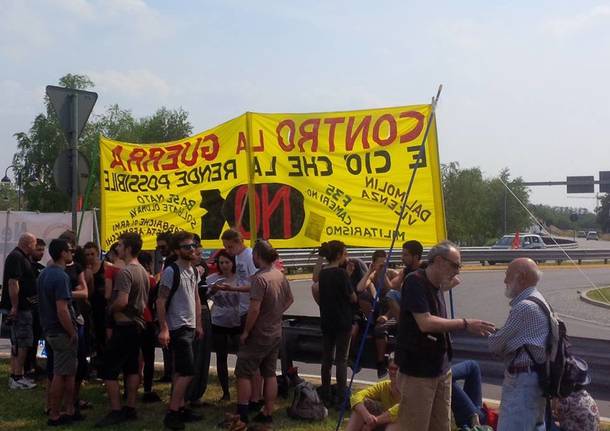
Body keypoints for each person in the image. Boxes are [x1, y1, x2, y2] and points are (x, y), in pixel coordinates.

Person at [396, 240, 495, 431]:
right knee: (415, 425)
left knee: (442, 426)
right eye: (455, 265)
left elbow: (447, 286)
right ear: (440, 261)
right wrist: (465, 324)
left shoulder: (436, 283)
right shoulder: (414, 282)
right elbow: (425, 323)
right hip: (419, 372)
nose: (458, 271)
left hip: (440, 369)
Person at [234, 240, 294, 424]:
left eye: (254, 255)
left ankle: (242, 413)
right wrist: (275, 314)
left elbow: (254, 309)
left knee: (243, 372)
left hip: (259, 332)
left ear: (258, 256)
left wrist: (246, 331)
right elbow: (289, 300)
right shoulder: (279, 275)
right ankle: (268, 411)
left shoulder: (259, 279)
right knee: (269, 373)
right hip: (275, 330)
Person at [488, 258, 551, 431]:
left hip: (522, 381)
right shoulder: (539, 299)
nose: (505, 280)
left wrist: (491, 336)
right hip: (536, 378)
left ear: (521, 278)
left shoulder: (524, 307)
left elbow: (495, 345)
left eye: (508, 275)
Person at [96, 232, 149, 427]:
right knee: (132, 368)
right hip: (137, 325)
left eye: (119, 245)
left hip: (125, 325)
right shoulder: (142, 270)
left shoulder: (126, 272)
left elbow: (122, 301)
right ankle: (131, 407)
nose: (117, 248)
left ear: (128, 248)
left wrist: (111, 308)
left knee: (108, 369)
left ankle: (116, 410)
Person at [157, 231, 203, 430]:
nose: (191, 249)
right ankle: (172, 412)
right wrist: (164, 329)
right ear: (177, 250)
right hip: (178, 326)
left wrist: (198, 324)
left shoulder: (193, 271)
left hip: (190, 326)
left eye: (192, 245)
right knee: (187, 371)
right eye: (186, 247)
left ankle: (181, 407)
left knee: (180, 371)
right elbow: (160, 301)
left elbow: (196, 298)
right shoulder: (171, 271)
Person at [37, 239, 78, 426]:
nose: (72, 253)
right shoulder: (61, 277)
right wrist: (72, 332)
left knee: (68, 372)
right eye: (70, 250)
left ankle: (69, 410)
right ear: (63, 253)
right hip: (60, 331)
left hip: (49, 330)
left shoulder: (44, 273)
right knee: (60, 374)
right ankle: (55, 415)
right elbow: (62, 309)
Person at [221, 228, 263, 410]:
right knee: (249, 360)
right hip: (242, 307)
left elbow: (255, 285)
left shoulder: (249, 256)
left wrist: (234, 289)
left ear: (239, 242)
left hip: (251, 309)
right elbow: (241, 280)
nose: (229, 251)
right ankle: (255, 396)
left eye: (230, 247)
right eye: (226, 247)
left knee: (250, 360)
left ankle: (256, 397)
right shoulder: (238, 258)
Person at [312, 240, 356, 408]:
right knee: (341, 359)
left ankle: (325, 392)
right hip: (343, 321)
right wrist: (349, 276)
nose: (346, 257)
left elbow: (315, 278)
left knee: (327, 358)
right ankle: (341, 395)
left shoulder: (324, 273)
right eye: (345, 253)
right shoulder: (342, 274)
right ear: (339, 255)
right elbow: (352, 297)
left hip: (327, 320)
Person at [3, 232, 38, 390]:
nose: (36, 248)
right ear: (29, 244)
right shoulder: (16, 257)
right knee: (22, 342)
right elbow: (13, 283)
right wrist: (15, 306)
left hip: (24, 307)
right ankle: (17, 377)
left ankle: (16, 374)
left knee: (19, 342)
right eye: (35, 244)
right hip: (20, 309)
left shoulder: (23, 258)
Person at [207, 249, 240, 401]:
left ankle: (241, 386)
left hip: (236, 320)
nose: (225, 265)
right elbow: (204, 296)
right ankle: (225, 391)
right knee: (221, 356)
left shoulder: (239, 278)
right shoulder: (212, 278)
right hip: (219, 320)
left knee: (242, 355)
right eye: (221, 263)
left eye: (227, 262)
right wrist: (212, 290)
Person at [186, 234, 213, 408]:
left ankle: (196, 395)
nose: (197, 252)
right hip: (190, 316)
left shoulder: (201, 267)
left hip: (203, 312)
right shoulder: (178, 269)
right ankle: (187, 395)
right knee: (192, 358)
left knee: (203, 357)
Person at [346, 354, 401, 431]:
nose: (393, 372)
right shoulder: (383, 386)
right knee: (363, 404)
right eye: (391, 368)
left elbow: (400, 409)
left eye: (396, 369)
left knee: (393, 426)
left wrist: (375, 421)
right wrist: (366, 415)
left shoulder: (410, 390)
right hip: (380, 423)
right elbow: (356, 397)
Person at [136, 251, 162, 403]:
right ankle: (147, 388)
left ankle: (129, 387)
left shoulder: (130, 274)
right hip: (148, 318)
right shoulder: (151, 279)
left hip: (134, 318)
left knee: (133, 354)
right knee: (148, 355)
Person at [83, 242, 108, 375]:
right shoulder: (83, 269)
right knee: (90, 337)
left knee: (102, 336)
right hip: (88, 306)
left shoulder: (106, 266)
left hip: (102, 307)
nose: (90, 257)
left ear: (97, 253)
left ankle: (104, 365)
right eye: (87, 254)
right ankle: (91, 365)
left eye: (92, 254)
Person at [25, 238, 46, 379]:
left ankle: (34, 364)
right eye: (38, 249)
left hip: (39, 310)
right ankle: (27, 367)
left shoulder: (42, 269)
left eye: (43, 250)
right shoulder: (25, 266)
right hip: (27, 309)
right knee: (28, 340)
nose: (41, 253)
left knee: (37, 339)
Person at [156, 231, 175, 383]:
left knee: (170, 345)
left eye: (163, 246)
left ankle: (171, 372)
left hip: (171, 307)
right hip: (168, 307)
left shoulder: (172, 262)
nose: (160, 249)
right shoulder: (167, 260)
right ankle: (169, 371)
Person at [451, 360, 488, 429]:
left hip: (475, 423)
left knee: (447, 379)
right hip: (482, 416)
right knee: (473, 366)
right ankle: (440, 373)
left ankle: (439, 374)